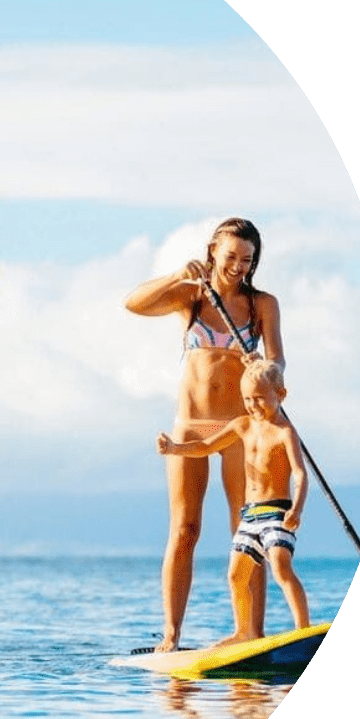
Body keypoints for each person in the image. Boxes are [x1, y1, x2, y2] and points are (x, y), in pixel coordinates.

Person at [125, 218, 284, 651]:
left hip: (242, 429)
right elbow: (133, 304)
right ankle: (172, 636)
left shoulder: (262, 305)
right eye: (230, 256)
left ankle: (251, 632)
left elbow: (279, 363)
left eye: (246, 259)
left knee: (246, 528)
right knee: (185, 528)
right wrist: (178, 273)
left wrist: (264, 371)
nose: (237, 266)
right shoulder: (191, 298)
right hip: (191, 425)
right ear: (213, 251)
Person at [157, 359, 309, 645]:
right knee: (236, 576)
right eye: (248, 399)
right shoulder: (242, 426)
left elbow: (301, 474)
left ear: (281, 395)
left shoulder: (285, 432)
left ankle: (303, 631)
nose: (253, 405)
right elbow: (206, 446)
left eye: (260, 399)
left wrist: (297, 509)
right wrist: (175, 448)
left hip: (277, 513)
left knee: (280, 565)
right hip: (249, 517)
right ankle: (244, 631)